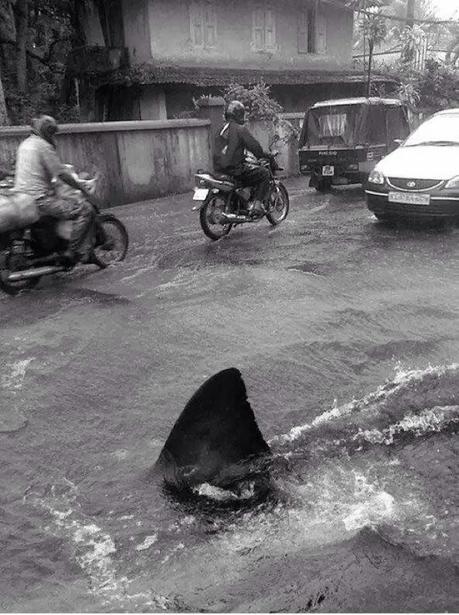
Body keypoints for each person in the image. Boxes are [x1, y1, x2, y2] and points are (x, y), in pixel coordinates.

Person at [14, 115, 96, 262]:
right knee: (86, 210)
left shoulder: (25, 144)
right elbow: (62, 175)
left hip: (22, 198)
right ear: (48, 132)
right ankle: (72, 253)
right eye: (52, 133)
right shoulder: (43, 146)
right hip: (41, 199)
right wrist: (83, 190)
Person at [214, 100, 271, 215]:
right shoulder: (240, 129)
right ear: (240, 114)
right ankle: (257, 205)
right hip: (235, 169)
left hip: (219, 169)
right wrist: (264, 155)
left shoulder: (220, 129)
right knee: (264, 173)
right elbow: (254, 146)